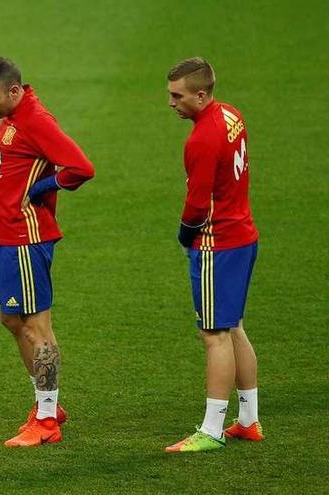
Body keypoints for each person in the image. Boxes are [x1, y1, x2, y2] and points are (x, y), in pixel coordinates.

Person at [0, 57, 95, 447]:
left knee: (36, 327)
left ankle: (46, 420)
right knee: (12, 320)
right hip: (6, 238)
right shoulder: (14, 116)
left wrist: (44, 188)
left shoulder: (35, 120)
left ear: (14, 90)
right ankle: (48, 404)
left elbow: (81, 167)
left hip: (26, 239)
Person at [163, 58, 262, 453]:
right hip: (243, 234)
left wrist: (186, 234)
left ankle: (211, 429)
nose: (170, 102)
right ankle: (249, 420)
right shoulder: (231, 114)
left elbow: (197, 202)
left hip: (216, 244)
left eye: (177, 95)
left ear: (200, 94)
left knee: (214, 334)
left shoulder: (201, 139)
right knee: (233, 326)